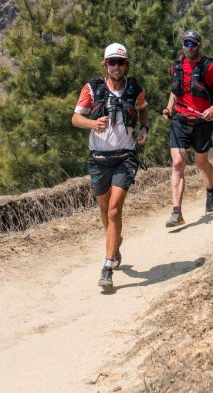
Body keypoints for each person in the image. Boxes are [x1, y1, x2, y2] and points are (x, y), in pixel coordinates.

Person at [72, 43, 149, 290]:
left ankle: (107, 267)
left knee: (115, 210)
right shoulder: (92, 89)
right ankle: (114, 244)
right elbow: (75, 118)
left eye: (121, 62)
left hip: (125, 157)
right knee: (105, 211)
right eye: (112, 62)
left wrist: (144, 128)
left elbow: (143, 108)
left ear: (127, 65)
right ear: (105, 65)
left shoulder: (135, 89)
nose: (116, 66)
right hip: (98, 160)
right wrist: (92, 124)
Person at [161, 29, 213, 227]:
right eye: (186, 43)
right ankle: (176, 212)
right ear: (182, 45)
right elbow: (176, 92)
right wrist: (168, 109)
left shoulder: (209, 67)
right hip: (180, 122)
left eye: (193, 44)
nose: (189, 47)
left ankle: (211, 188)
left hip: (202, 123)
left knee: (202, 164)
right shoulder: (176, 65)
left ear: (199, 45)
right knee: (177, 163)